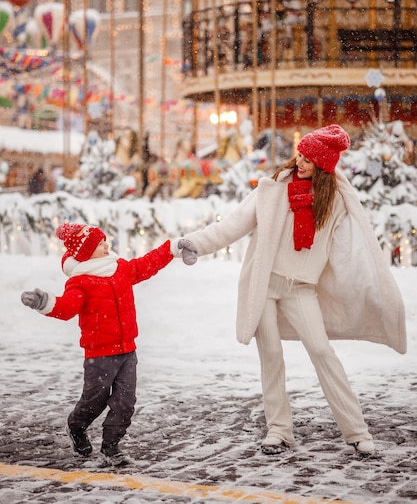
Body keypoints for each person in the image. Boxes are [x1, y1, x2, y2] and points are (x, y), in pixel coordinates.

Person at [174, 124, 407, 457]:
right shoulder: (272, 191)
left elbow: (348, 251)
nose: (300, 162)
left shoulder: (336, 201)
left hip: (302, 289)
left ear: (324, 166)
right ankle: (279, 430)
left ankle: (356, 431)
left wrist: (366, 287)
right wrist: (194, 242)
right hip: (266, 285)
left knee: (322, 352)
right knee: (271, 357)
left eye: (309, 159)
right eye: (300, 154)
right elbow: (232, 225)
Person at [21, 223, 194, 466]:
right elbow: (66, 308)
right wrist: (44, 303)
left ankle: (111, 447)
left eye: (104, 241)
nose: (107, 245)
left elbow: (147, 264)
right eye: (100, 243)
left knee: (125, 402)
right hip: (99, 355)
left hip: (127, 351)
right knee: (95, 401)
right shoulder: (80, 282)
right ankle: (76, 425)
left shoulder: (120, 268)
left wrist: (171, 249)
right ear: (85, 252)